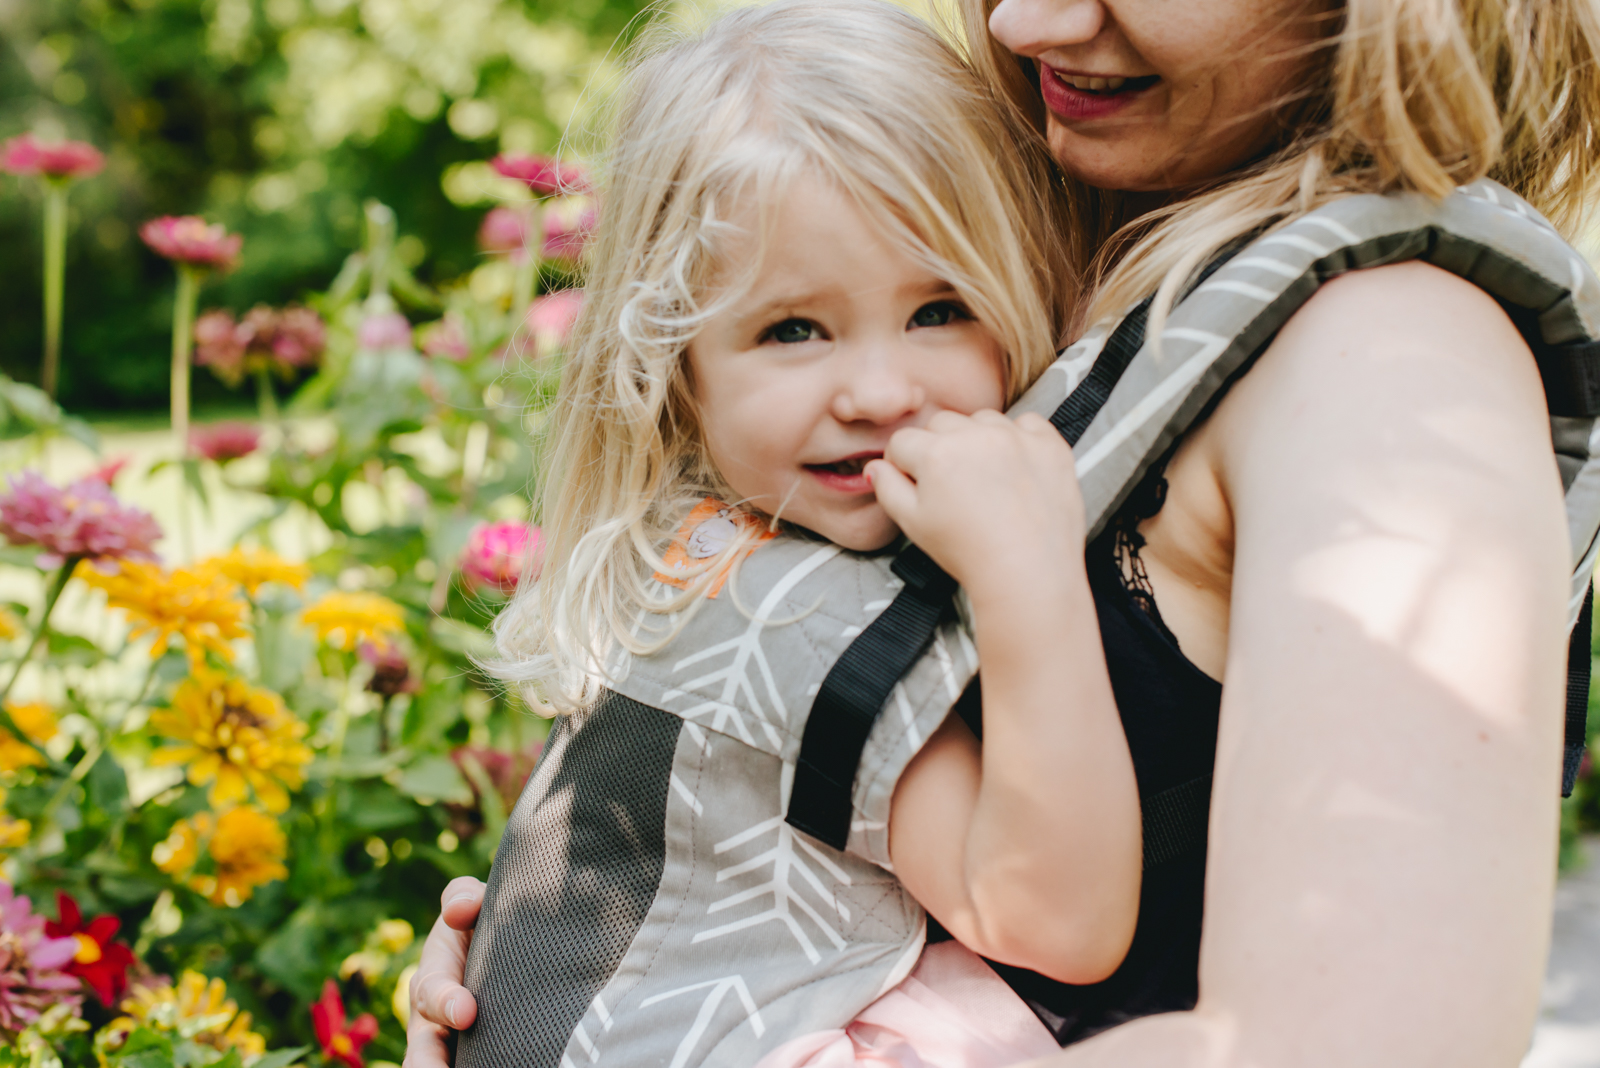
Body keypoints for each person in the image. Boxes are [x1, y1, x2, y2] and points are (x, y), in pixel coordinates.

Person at [410, 1, 1600, 1066]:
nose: (1025, 21)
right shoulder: (1070, 234)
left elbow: (1368, 1046)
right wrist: (560, 982)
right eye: (791, 334)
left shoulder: (1386, 356)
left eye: (938, 310)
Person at [440, 4, 1145, 1066]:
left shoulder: (699, 546)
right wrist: (1028, 574)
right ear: (675, 374)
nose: (876, 390)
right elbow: (1058, 921)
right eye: (793, 330)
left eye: (940, 308)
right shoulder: (803, 614)